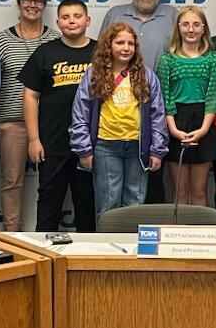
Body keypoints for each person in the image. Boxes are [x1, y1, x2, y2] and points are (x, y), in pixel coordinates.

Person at [70, 23, 168, 220]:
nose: (126, 48)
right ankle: (108, 241)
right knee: (108, 204)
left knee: (135, 204)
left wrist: (157, 150)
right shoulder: (94, 74)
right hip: (105, 146)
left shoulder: (146, 75)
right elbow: (80, 113)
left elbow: (157, 115)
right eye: (120, 42)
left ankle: (131, 241)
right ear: (109, 45)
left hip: (138, 148)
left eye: (130, 44)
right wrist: (84, 149)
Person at [19, 0, 96, 232]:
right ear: (58, 22)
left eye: (77, 16)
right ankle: (43, 251)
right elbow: (30, 96)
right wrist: (33, 139)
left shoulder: (101, 52)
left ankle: (88, 252)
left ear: (88, 20)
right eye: (66, 17)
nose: (71, 21)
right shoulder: (45, 52)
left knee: (88, 200)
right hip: (52, 143)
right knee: (49, 199)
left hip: (91, 144)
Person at [100, 0, 176, 202]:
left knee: (153, 179)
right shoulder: (115, 14)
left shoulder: (173, 15)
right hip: (116, 114)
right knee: (111, 190)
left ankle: (149, 225)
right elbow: (101, 58)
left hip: (159, 109)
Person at [0, 0, 57, 231]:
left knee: (52, 182)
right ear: (19, 3)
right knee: (12, 182)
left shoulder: (55, 38)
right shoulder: (2, 40)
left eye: (38, 1)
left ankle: (47, 235)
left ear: (44, 6)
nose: (32, 5)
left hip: (48, 124)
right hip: (13, 121)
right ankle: (13, 237)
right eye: (27, 0)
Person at [156, 6, 216, 207]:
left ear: (203, 28)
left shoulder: (213, 58)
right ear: (178, 28)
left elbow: (214, 96)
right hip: (175, 121)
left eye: (196, 24)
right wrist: (174, 130)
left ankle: (199, 229)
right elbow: (165, 97)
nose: (190, 29)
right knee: (180, 192)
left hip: (203, 121)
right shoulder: (167, 59)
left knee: (199, 192)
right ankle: (179, 228)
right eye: (185, 24)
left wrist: (203, 130)